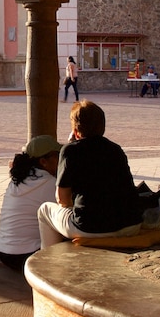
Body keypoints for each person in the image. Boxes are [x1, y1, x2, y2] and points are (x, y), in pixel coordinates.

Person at [38, 100, 143, 248]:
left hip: (90, 228)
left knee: (45, 210)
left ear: (75, 131)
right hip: (131, 224)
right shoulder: (115, 149)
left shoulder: (70, 151)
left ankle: (48, 262)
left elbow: (62, 199)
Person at [0, 135, 61, 271]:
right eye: (57, 155)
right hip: (29, 256)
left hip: (4, 252)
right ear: (43, 161)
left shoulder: (16, 181)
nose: (61, 159)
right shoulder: (49, 183)